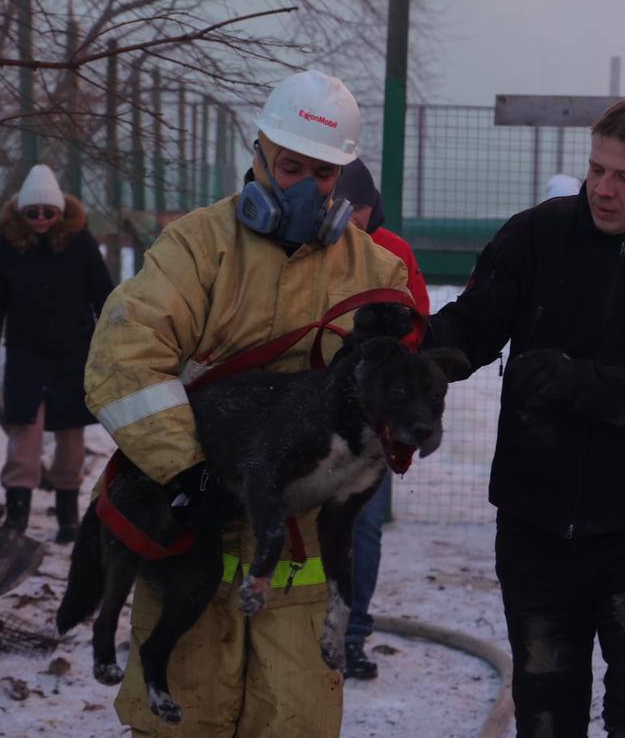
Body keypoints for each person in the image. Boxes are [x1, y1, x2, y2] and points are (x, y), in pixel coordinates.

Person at [82, 70, 409, 737]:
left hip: (298, 547)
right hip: (188, 531)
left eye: (324, 174)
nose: (306, 187)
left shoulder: (376, 276)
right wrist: (191, 474)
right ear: (258, 154)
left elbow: (391, 400)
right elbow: (123, 361)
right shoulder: (196, 249)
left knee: (296, 719)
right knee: (183, 719)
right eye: (291, 165)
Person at [424, 97, 625, 737]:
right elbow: (472, 326)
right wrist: (412, 353)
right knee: (546, 716)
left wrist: (586, 383)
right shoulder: (538, 234)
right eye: (595, 169)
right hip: (534, 525)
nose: (601, 190)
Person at [0, 163, 114, 542]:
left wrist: (114, 347)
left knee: (70, 437)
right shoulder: (6, 246)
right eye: (32, 212)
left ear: (60, 212)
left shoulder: (81, 243)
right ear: (21, 212)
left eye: (48, 212)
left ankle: (68, 515)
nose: (40, 219)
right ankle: (17, 513)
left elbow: (105, 296)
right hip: (25, 354)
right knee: (25, 433)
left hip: (73, 353)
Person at [333, 158, 430, 681]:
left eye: (361, 207)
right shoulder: (303, 245)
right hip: (309, 411)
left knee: (362, 526)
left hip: (370, 420)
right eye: (340, 206)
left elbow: (417, 329)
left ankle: (351, 633)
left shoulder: (392, 251)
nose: (350, 218)